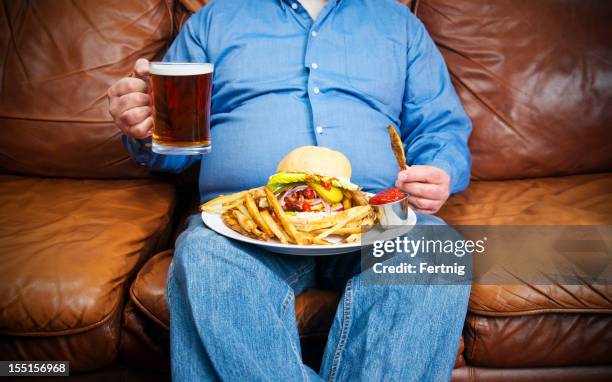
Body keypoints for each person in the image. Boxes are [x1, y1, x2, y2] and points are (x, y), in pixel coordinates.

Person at [107, 0, 472, 380]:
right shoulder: (214, 20)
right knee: (206, 256)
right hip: (249, 217)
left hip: (371, 210)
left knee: (432, 251)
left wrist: (439, 169)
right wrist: (145, 129)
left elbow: (440, 127)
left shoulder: (399, 24)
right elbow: (176, 143)